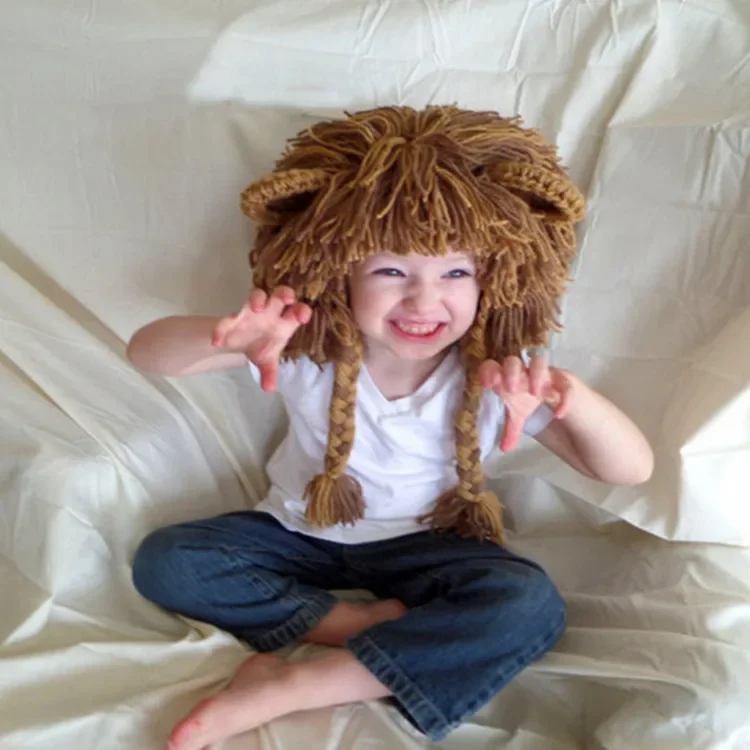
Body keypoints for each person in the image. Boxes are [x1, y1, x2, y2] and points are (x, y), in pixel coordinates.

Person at [127, 106, 654, 750]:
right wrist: (226, 337)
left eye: (456, 272)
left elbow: (630, 469)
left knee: (528, 603)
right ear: (341, 275)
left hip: (430, 546)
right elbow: (147, 354)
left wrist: (571, 396)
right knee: (169, 560)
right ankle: (353, 626)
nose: (423, 300)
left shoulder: (498, 379)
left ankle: (294, 685)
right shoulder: (307, 352)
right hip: (297, 532)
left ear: (493, 281)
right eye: (391, 271)